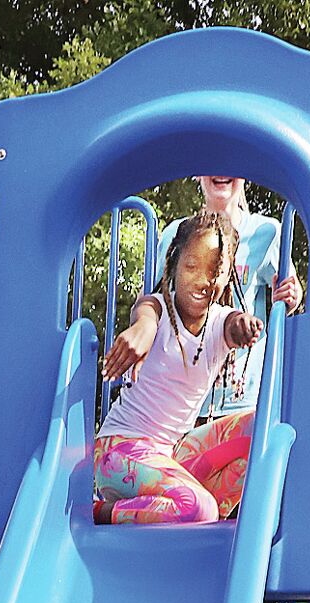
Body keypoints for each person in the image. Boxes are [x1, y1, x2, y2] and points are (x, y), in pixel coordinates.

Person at [94, 210, 264, 525]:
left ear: (229, 274)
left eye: (216, 270)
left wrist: (244, 325)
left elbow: (232, 324)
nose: (202, 281)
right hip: (120, 453)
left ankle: (195, 510)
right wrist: (141, 331)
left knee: (262, 425)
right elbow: (145, 313)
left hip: (172, 454)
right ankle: (101, 512)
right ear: (174, 265)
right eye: (191, 267)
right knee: (198, 508)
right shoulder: (158, 308)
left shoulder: (219, 322)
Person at [154, 176, 302, 420]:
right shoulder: (177, 233)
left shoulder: (265, 232)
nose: (221, 171)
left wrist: (290, 297)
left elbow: (289, 295)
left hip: (240, 396)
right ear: (198, 175)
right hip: (183, 395)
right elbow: (157, 300)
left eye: (232, 164)